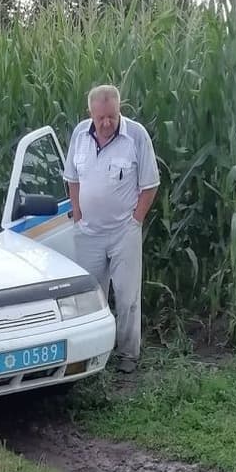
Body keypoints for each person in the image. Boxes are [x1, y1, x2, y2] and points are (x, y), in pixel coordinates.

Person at [62, 84, 159, 374]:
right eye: (100, 118)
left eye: (112, 117)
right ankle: (94, 357)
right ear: (90, 113)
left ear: (120, 111)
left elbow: (150, 184)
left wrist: (135, 221)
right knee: (91, 297)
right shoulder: (80, 135)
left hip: (123, 232)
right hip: (88, 232)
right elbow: (72, 178)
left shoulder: (136, 136)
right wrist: (78, 215)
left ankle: (128, 355)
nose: (106, 123)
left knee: (127, 297)